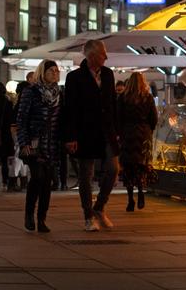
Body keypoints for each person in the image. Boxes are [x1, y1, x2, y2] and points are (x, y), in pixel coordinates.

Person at [62, 39, 120, 232]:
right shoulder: (75, 78)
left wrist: (116, 130)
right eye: (103, 53)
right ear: (92, 55)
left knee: (113, 169)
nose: (106, 56)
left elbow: (112, 103)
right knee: (86, 175)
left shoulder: (108, 74)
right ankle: (88, 215)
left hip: (106, 131)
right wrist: (70, 137)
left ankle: (100, 206)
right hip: (85, 132)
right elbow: (69, 109)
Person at [17, 60, 63, 233]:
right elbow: (21, 119)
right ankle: (29, 214)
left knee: (47, 182)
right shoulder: (31, 91)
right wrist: (24, 142)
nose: (54, 73)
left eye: (56, 71)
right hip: (35, 143)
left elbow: (60, 120)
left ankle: (42, 218)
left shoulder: (59, 93)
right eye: (51, 70)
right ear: (42, 72)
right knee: (37, 177)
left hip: (52, 145)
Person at [117, 72, 158, 212]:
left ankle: (130, 200)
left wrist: (120, 132)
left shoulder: (123, 98)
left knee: (128, 167)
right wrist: (149, 130)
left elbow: (118, 117)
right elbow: (154, 118)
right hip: (143, 134)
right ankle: (141, 191)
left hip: (128, 134)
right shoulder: (148, 98)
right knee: (141, 166)